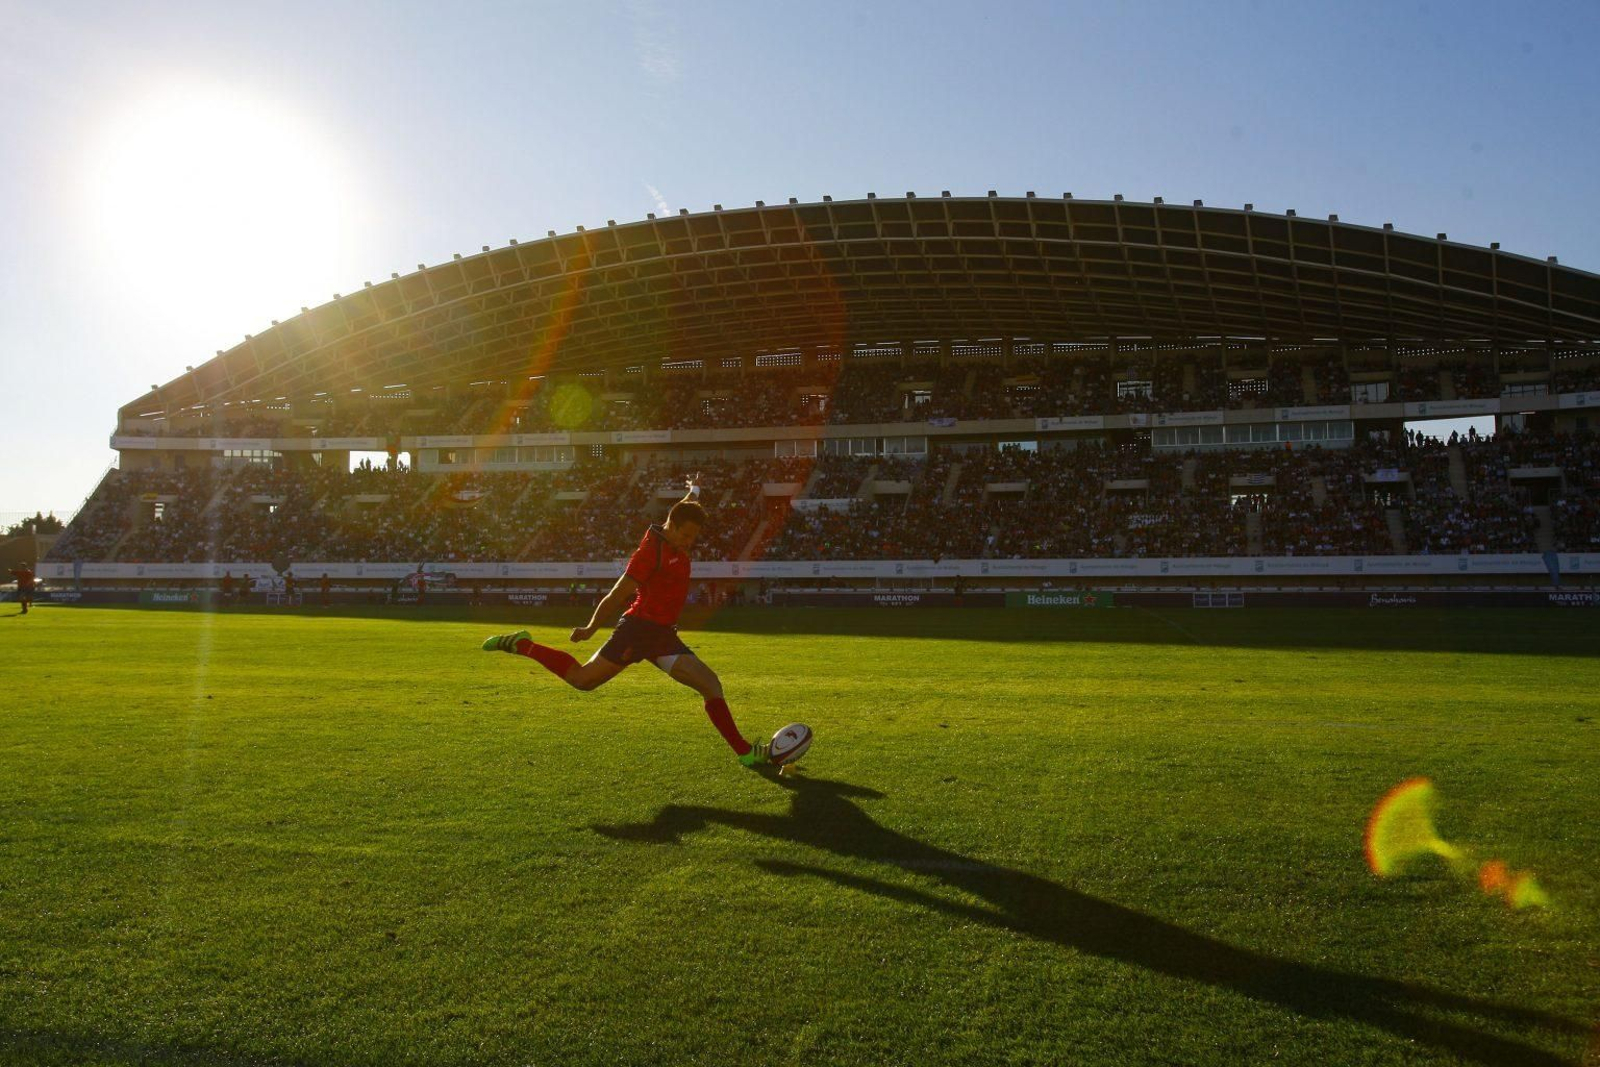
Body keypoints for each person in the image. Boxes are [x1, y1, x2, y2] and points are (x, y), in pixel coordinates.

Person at [481, 475, 774, 768]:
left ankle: (745, 753)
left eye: (693, 537)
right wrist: (590, 629)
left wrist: (693, 489)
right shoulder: (648, 554)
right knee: (582, 680)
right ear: (671, 526)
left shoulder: (676, 528)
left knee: (710, 684)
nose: (689, 542)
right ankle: (524, 645)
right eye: (686, 536)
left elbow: (685, 506)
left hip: (661, 636)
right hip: (637, 631)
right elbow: (615, 594)